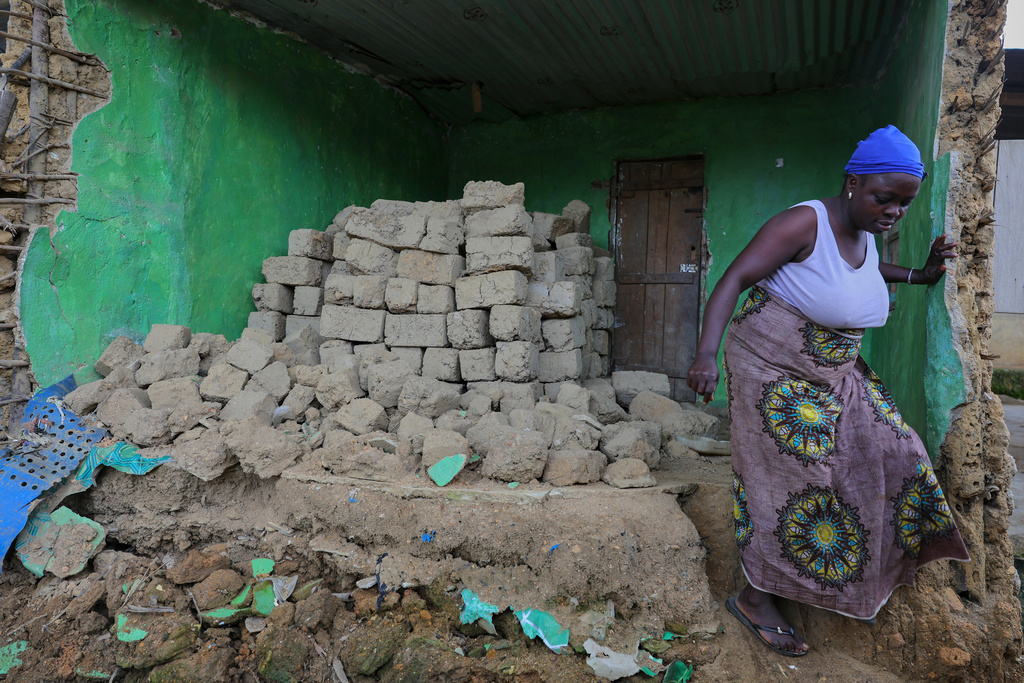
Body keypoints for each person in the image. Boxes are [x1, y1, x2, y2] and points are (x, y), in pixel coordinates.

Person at [685, 125, 970, 657]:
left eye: (903, 205)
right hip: (770, 366)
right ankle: (755, 597)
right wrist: (705, 355)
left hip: (835, 370)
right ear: (852, 183)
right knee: (800, 475)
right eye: (884, 198)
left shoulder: (862, 235)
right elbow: (733, 279)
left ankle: (891, 562)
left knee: (896, 447)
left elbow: (859, 272)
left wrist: (921, 274)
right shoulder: (802, 222)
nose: (892, 213)